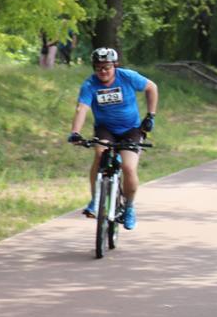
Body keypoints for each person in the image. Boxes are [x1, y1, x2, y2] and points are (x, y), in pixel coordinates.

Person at [67, 47, 158, 230]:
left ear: (114, 65)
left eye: (107, 67)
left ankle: (129, 207)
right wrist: (75, 132)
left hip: (131, 129)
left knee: (128, 167)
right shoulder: (90, 85)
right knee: (100, 155)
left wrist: (150, 116)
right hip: (105, 129)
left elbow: (151, 87)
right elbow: (82, 108)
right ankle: (95, 200)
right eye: (98, 68)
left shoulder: (127, 76)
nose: (103, 71)